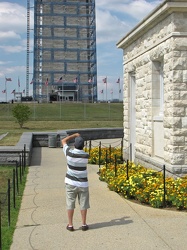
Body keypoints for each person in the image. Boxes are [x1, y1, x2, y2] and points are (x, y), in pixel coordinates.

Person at [61, 133, 90, 232]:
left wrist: (74, 135)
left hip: (70, 183)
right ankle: (84, 224)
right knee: (83, 204)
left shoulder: (69, 153)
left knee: (70, 204)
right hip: (83, 184)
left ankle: (70, 225)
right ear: (83, 146)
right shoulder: (86, 155)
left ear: (74, 145)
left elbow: (63, 141)